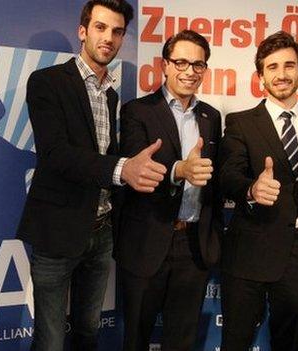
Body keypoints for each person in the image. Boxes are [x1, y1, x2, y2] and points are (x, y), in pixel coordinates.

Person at [16, 1, 167, 350]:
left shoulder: (113, 94)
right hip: (57, 230)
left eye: (117, 31)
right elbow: (55, 154)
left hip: (101, 232)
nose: (109, 38)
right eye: (100, 28)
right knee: (51, 339)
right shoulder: (47, 82)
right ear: (83, 31)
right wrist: (122, 168)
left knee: (88, 330)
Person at [219, 31, 298, 351]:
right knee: (236, 340)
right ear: (261, 76)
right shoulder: (241, 122)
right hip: (249, 248)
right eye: (272, 67)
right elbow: (228, 175)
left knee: (290, 342)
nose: (281, 74)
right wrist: (251, 189)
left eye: (289, 65)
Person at [117, 29, 222, 350]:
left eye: (198, 65)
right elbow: (137, 165)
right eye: (181, 62)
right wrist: (180, 170)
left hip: (193, 245)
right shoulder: (138, 110)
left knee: (182, 340)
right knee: (137, 336)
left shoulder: (211, 117)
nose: (189, 71)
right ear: (165, 65)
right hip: (147, 241)